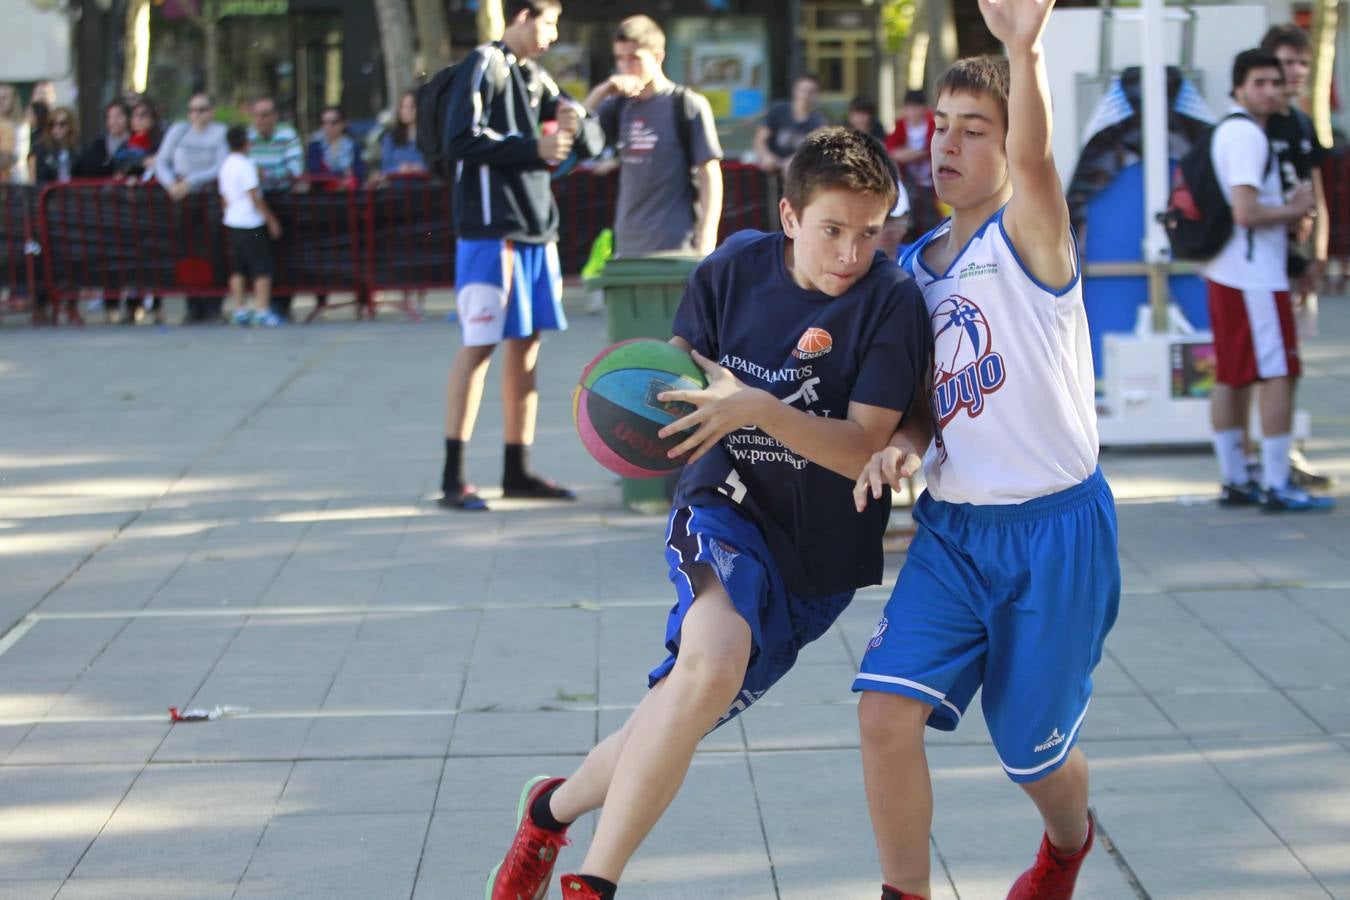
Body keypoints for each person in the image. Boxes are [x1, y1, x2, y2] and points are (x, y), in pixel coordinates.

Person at [483, 126, 930, 900]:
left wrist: (756, 408)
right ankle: (594, 883)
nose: (850, 253)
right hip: (723, 509)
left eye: (869, 232)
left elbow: (862, 448)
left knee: (676, 712)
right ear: (790, 217)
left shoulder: (890, 302)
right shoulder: (732, 269)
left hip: (818, 562)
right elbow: (670, 380)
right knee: (713, 662)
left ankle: (548, 812)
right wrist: (619, 406)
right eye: (831, 230)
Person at [851, 0, 1123, 896]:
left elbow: (1043, 158)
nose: (949, 145)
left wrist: (1024, 46)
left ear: (1009, 150)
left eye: (975, 130)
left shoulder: (1031, 236)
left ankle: (1067, 844)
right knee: (884, 712)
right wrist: (904, 446)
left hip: (1056, 535)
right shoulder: (916, 267)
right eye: (940, 126)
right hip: (956, 532)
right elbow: (928, 402)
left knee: (1030, 753)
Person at [436, 0, 605, 511]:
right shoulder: (482, 64)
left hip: (536, 230)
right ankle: (453, 477)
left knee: (527, 346)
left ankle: (518, 470)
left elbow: (590, 143)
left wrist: (582, 120)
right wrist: (532, 149)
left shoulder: (537, 76)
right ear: (524, 15)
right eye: (550, 23)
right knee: (480, 344)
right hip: (490, 231)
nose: (553, 37)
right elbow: (459, 138)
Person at [1198, 48, 1330, 513]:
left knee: (1233, 375)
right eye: (1261, 82)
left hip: (1229, 271)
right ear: (1238, 87)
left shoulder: (1232, 132)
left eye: (1277, 82)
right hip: (1254, 277)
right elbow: (1247, 212)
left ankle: (1237, 478)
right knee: (1278, 374)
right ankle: (1277, 482)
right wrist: (1296, 209)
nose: (1272, 90)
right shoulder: (1247, 137)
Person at [1258, 24, 1333, 490]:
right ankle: (1259, 458)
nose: (1296, 72)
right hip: (1262, 266)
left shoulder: (1302, 124)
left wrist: (1320, 254)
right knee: (1265, 369)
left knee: (1292, 363)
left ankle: (1284, 450)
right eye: (1287, 62)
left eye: (1303, 63)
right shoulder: (1254, 125)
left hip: (1299, 265)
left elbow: (1317, 196)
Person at [583, 15, 723, 258]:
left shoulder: (686, 104)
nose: (626, 67)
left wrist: (707, 238)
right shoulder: (617, 105)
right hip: (628, 244)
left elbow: (709, 174)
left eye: (635, 58)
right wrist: (601, 92)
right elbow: (578, 135)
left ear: (658, 57)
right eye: (620, 59)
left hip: (676, 243)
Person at [156, 93, 229, 324]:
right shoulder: (179, 130)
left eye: (202, 109)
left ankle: (213, 305)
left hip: (209, 197)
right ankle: (193, 303)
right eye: (192, 110)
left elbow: (221, 166)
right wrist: (171, 184)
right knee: (187, 252)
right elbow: (161, 161)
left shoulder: (220, 133)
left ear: (211, 111)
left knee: (213, 251)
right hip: (182, 198)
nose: (196, 114)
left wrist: (191, 181)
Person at [220, 125, 283, 327]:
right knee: (261, 268)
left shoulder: (226, 165)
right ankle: (262, 310)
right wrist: (271, 220)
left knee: (237, 269)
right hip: (251, 223)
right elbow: (254, 196)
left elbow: (224, 196)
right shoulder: (246, 166)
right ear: (246, 143)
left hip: (232, 221)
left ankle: (240, 309)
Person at [248, 96, 303, 321]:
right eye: (257, 115)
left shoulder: (287, 135)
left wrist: (266, 175)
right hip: (255, 203)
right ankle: (266, 302)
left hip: (282, 200)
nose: (261, 120)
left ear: (275, 116)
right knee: (260, 254)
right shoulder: (248, 138)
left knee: (284, 252)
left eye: (266, 114)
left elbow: (295, 169)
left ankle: (283, 302)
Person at [885, 89, 940, 239]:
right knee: (908, 217)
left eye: (917, 107)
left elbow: (933, 149)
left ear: (924, 108)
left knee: (932, 218)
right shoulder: (900, 125)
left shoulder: (932, 123)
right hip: (907, 180)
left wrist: (908, 154)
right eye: (909, 107)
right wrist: (917, 154)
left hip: (931, 181)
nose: (913, 112)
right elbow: (891, 150)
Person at [753, 73, 826, 172]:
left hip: (798, 169)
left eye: (811, 92)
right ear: (795, 91)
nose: (806, 95)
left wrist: (795, 160)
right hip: (769, 164)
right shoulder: (778, 110)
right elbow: (760, 139)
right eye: (803, 90)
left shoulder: (818, 121)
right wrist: (766, 155)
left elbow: (814, 150)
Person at [305, 105, 366, 185]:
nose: (328, 126)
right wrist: (341, 175)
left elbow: (359, 173)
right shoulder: (314, 146)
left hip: (349, 194)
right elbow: (315, 173)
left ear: (343, 124)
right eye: (324, 123)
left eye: (334, 122)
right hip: (322, 195)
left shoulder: (353, 146)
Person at [378, 90, 429, 178]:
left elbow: (437, 165)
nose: (406, 111)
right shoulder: (390, 137)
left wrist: (420, 168)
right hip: (399, 187)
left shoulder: (430, 137)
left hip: (426, 187)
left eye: (411, 107)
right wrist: (400, 169)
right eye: (403, 107)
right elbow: (385, 168)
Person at [29, 105, 78, 186]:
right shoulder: (42, 151)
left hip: (74, 195)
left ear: (70, 126)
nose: (56, 128)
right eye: (52, 125)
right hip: (51, 196)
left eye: (62, 124)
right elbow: (40, 178)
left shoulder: (79, 149)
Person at [0, 84, 21, 183]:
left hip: (18, 181)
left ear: (13, 100)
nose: (0, 101)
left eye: (4, 97)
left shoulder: (23, 125)